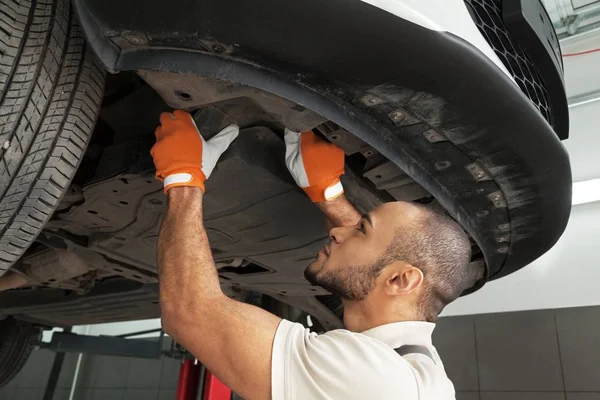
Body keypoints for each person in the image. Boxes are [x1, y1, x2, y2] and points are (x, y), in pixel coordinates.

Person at [151, 110, 483, 400]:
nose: (339, 232)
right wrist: (329, 195)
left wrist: (183, 181)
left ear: (401, 279)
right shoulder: (416, 374)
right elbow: (384, 257)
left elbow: (190, 312)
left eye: (362, 229)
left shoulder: (378, 382)